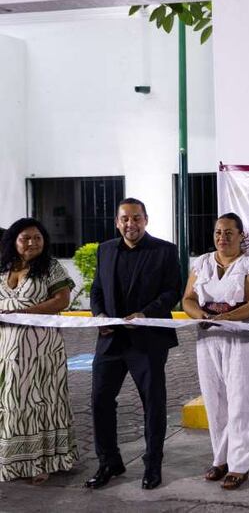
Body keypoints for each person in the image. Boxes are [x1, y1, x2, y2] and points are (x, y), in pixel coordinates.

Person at [86, 198, 181, 490]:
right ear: (117, 222)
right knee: (100, 401)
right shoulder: (105, 250)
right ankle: (109, 462)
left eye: (137, 218)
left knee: (153, 404)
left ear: (146, 220)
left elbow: (173, 291)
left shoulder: (165, 250)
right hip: (110, 340)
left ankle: (152, 464)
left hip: (148, 341)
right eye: (125, 219)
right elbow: (97, 289)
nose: (131, 224)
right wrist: (99, 316)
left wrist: (145, 314)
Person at [180, 213, 249, 490]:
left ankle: (240, 464)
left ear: (241, 235)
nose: (222, 238)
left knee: (241, 401)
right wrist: (203, 315)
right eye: (218, 232)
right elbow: (188, 299)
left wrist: (229, 318)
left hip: (240, 339)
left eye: (229, 232)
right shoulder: (202, 263)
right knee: (215, 401)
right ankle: (220, 459)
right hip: (207, 338)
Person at [0, 218, 77, 483]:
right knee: (10, 402)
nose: (33, 243)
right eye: (26, 238)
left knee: (38, 401)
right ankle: (12, 461)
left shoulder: (51, 267)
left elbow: (62, 300)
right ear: (14, 241)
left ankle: (40, 463)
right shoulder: (3, 268)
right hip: (6, 348)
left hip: (41, 348)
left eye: (38, 238)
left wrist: (23, 312)